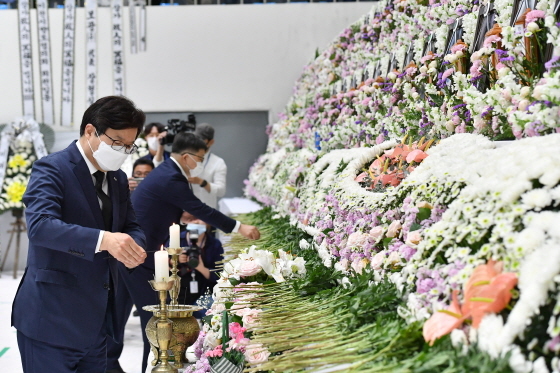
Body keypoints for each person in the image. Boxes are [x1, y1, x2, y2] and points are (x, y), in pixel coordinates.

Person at [11, 95, 148, 373]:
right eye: (116, 142)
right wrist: (104, 240)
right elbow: (41, 226)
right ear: (90, 131)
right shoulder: (52, 168)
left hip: (98, 320)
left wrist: (135, 248)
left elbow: (130, 225)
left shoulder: (118, 178)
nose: (122, 151)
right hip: (51, 319)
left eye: (129, 146)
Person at [112, 132, 260, 373]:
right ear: (186, 156)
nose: (199, 163)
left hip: (136, 254)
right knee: (156, 325)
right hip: (139, 257)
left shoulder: (167, 173)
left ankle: (117, 366)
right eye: (199, 158)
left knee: (127, 319)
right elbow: (199, 208)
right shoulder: (171, 177)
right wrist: (238, 226)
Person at [176, 211, 223, 308]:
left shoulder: (214, 244)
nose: (196, 222)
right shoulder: (176, 239)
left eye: (200, 218)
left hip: (204, 294)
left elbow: (219, 276)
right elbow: (163, 265)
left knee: (212, 306)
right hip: (180, 293)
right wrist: (176, 259)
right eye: (192, 218)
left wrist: (201, 268)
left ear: (208, 223)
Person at [190, 123, 227, 209]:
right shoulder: (185, 158)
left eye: (202, 139)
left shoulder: (218, 162)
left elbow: (221, 191)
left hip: (207, 211)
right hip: (185, 211)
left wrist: (202, 182)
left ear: (211, 142)